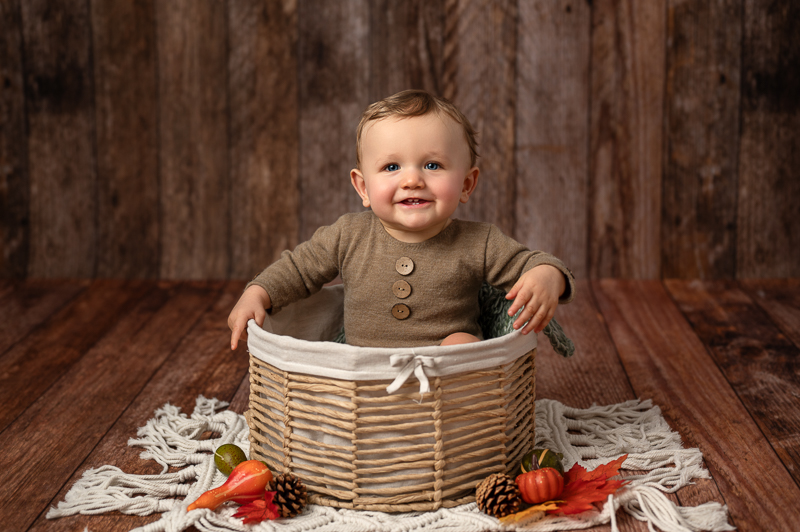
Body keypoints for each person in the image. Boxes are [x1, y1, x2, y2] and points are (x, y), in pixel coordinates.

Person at [228, 89, 575, 350]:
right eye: (392, 167)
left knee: (460, 345)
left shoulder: (479, 242)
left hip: (447, 379)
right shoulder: (348, 235)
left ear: (467, 184)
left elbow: (531, 261)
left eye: (433, 165)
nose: (412, 180)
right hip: (365, 378)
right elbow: (297, 270)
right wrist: (257, 293)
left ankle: (458, 420)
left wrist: (547, 276)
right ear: (363, 187)